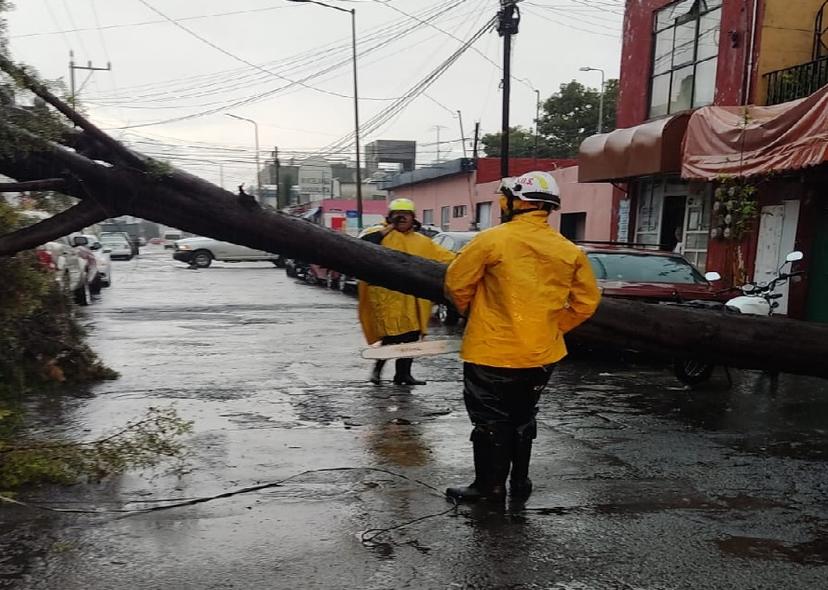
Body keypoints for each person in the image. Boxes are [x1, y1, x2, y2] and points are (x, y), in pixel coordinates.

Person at [443, 171, 601, 503]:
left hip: (491, 352)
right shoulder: (568, 250)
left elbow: (457, 285)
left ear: (517, 201)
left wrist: (474, 314)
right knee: (523, 416)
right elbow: (586, 303)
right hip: (541, 354)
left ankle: (489, 487)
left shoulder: (491, 241)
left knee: (490, 422)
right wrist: (554, 327)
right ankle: (520, 482)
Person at [359, 198, 455, 386]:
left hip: (413, 300)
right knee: (391, 338)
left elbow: (446, 258)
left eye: (406, 215)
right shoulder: (378, 234)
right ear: (390, 217)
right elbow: (362, 246)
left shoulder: (422, 241)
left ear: (414, 218)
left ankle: (403, 374)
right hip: (388, 299)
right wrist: (387, 229)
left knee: (411, 338)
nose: (402, 218)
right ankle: (377, 371)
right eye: (397, 215)